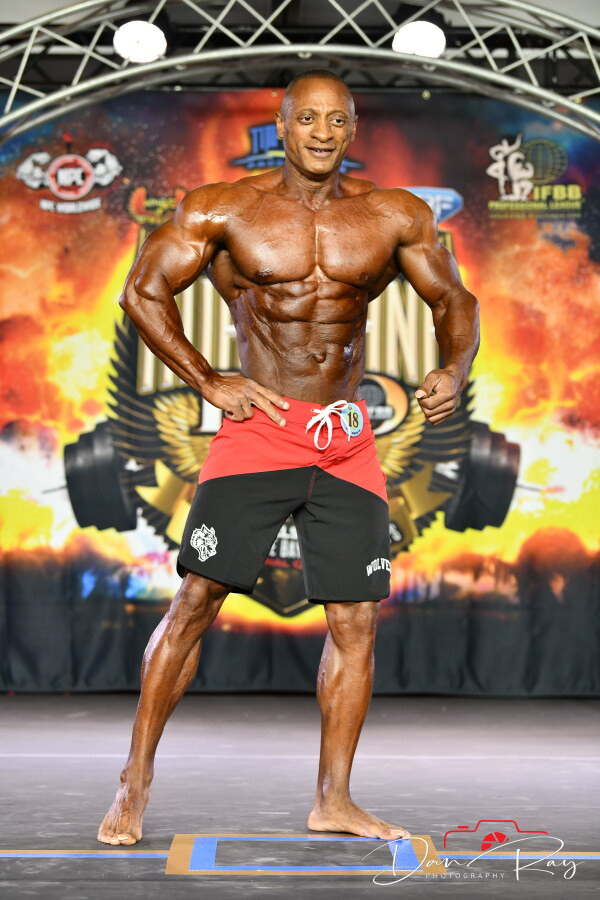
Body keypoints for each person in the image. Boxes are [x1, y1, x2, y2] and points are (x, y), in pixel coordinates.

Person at [98, 70, 480, 846]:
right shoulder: (223, 208)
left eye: (336, 120)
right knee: (197, 599)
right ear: (282, 124)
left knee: (356, 620)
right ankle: (133, 781)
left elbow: (454, 300)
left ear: (353, 128)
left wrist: (454, 367)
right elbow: (142, 293)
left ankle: (334, 799)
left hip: (345, 437)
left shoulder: (393, 215)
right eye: (307, 119)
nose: (321, 133)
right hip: (260, 429)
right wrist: (208, 379)